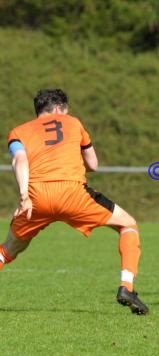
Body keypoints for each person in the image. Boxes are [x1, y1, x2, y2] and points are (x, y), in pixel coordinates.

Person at [3, 89, 148, 315]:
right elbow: (93, 164)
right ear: (59, 108)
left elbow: (20, 159)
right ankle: (127, 287)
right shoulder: (73, 122)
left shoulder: (18, 132)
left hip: (36, 197)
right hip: (73, 193)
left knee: (8, 249)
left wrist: (24, 196)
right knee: (127, 224)